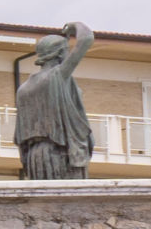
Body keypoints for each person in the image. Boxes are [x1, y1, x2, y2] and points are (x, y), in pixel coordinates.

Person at [13, 21, 94, 178]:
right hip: (61, 152)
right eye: (66, 50)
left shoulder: (23, 89)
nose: (67, 54)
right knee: (71, 199)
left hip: (34, 157)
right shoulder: (56, 76)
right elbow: (86, 39)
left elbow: (20, 139)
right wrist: (75, 26)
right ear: (59, 53)